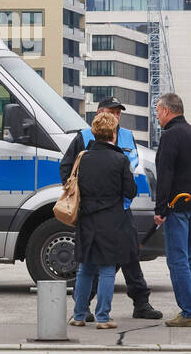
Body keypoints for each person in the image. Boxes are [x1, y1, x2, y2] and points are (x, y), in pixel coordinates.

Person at [59, 96, 162, 321]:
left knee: (129, 256)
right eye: (112, 112)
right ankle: (88, 308)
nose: (116, 116)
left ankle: (140, 302)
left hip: (119, 209)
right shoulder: (83, 138)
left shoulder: (127, 136)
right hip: (109, 209)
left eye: (118, 112)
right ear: (99, 114)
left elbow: (134, 162)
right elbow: (67, 168)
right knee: (100, 264)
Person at [68, 112, 139, 329]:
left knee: (85, 269)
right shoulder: (120, 160)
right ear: (113, 135)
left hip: (87, 219)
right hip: (112, 220)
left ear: (95, 132)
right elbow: (131, 191)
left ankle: (79, 315)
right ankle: (103, 317)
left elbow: (73, 183)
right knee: (107, 269)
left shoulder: (83, 158)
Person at [153, 93, 191, 327]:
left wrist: (160, 208)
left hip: (176, 204)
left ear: (166, 111)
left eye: (157, 111)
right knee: (189, 257)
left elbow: (165, 175)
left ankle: (189, 311)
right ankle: (190, 305)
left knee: (177, 260)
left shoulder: (170, 137)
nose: (156, 116)